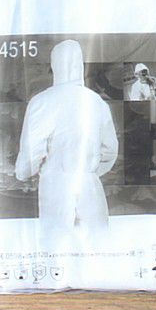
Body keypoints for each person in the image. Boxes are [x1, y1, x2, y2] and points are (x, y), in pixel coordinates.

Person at [15, 40, 118, 235]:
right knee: (97, 242)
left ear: (54, 65)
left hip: (55, 187)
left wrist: (23, 173)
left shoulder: (41, 101)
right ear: (80, 65)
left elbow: (32, 153)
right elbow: (110, 150)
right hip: (89, 187)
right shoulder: (96, 101)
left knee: (56, 243)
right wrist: (90, 173)